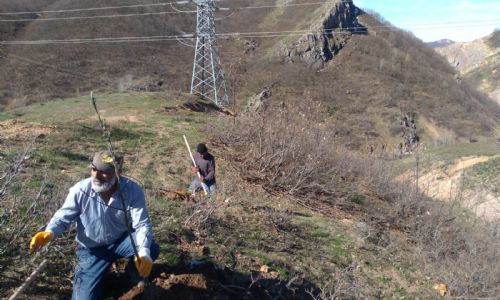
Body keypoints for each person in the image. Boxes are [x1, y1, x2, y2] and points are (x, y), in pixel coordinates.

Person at [29, 150, 160, 300]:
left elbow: (142, 224)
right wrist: (50, 232)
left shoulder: (132, 191)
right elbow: (63, 217)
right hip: (92, 251)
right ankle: (100, 278)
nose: (96, 175)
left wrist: (143, 252)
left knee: (150, 248)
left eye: (104, 172)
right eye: (93, 169)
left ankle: (133, 279)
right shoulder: (80, 190)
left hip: (121, 242)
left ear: (118, 173)